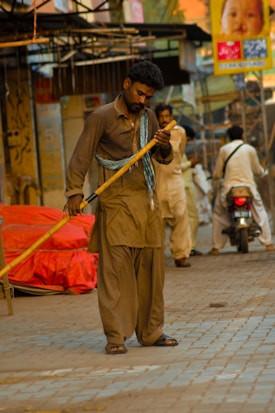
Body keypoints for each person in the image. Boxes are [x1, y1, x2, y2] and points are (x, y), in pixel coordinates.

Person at [64, 60, 178, 355]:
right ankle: (116, 336)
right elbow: (80, 156)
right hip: (115, 206)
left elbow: (162, 158)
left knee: (152, 274)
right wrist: (74, 191)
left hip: (147, 206)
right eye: (140, 93)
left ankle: (151, 332)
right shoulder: (100, 118)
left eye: (148, 97)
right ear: (126, 84)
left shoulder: (149, 118)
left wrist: (164, 144)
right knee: (115, 277)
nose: (143, 101)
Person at [208, 124, 275, 255]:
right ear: (242, 135)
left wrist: (216, 176)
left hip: (229, 188)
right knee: (260, 212)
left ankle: (216, 247)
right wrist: (262, 172)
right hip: (248, 187)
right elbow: (257, 169)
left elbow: (217, 172)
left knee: (218, 213)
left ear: (228, 137)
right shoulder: (250, 149)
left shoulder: (224, 149)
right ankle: (268, 243)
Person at [154, 104, 192, 268]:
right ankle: (156, 258)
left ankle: (180, 255)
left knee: (180, 218)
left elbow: (181, 153)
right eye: (161, 117)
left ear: (171, 116)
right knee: (156, 222)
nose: (164, 120)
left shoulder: (180, 132)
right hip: (157, 182)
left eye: (166, 116)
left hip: (176, 180)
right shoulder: (151, 133)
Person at [181, 125, 202, 256]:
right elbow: (176, 166)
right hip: (185, 186)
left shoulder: (181, 151)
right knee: (192, 218)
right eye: (187, 139)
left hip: (185, 185)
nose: (187, 143)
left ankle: (187, 247)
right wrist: (190, 164)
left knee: (188, 219)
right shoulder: (176, 149)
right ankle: (189, 247)